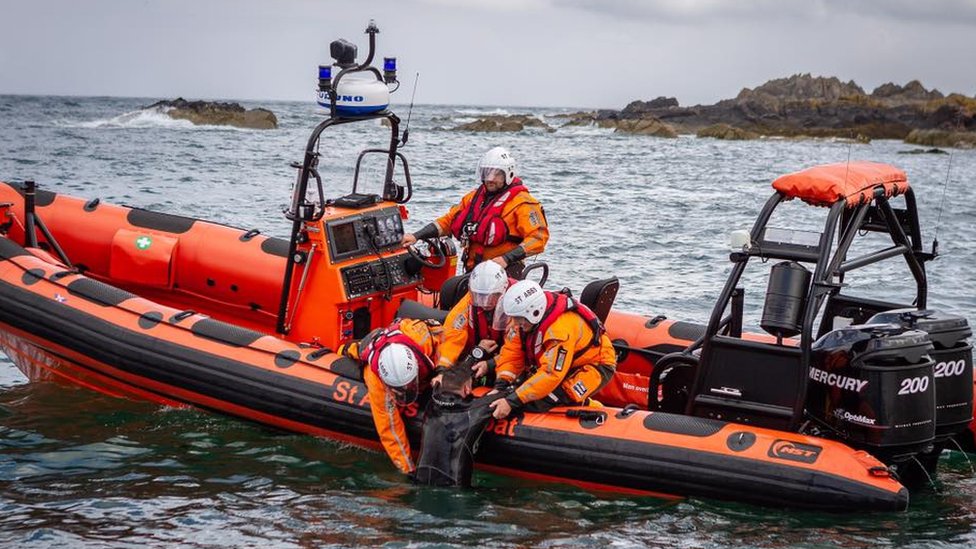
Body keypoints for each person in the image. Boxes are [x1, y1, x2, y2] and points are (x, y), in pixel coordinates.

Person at [401, 146, 548, 278]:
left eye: (496, 174)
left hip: (505, 271)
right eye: (486, 173)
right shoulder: (473, 198)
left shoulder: (522, 203)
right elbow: (447, 222)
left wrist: (506, 259)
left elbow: (538, 238)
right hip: (474, 270)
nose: (490, 179)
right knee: (450, 291)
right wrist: (416, 236)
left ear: (508, 174)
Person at [488, 280, 617, 420]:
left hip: (595, 364)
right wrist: (501, 385)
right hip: (567, 361)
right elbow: (512, 354)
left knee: (549, 398)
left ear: (534, 312)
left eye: (518, 318)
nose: (515, 322)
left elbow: (551, 373)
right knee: (520, 389)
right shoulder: (523, 322)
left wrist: (512, 401)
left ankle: (593, 408)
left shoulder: (559, 331)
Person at [338, 318, 442, 475]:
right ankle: (343, 348)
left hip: (405, 332)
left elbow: (445, 341)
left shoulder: (422, 341)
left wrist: (444, 371)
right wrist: (408, 470)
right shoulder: (376, 382)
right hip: (372, 345)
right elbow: (390, 428)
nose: (404, 391)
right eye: (399, 389)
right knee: (350, 349)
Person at [433, 260, 512, 385]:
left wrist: (491, 364)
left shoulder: (515, 307)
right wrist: (442, 370)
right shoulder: (467, 304)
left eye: (491, 297)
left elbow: (516, 348)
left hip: (506, 357)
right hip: (478, 352)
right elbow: (452, 336)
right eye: (479, 296)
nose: (485, 303)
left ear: (503, 290)